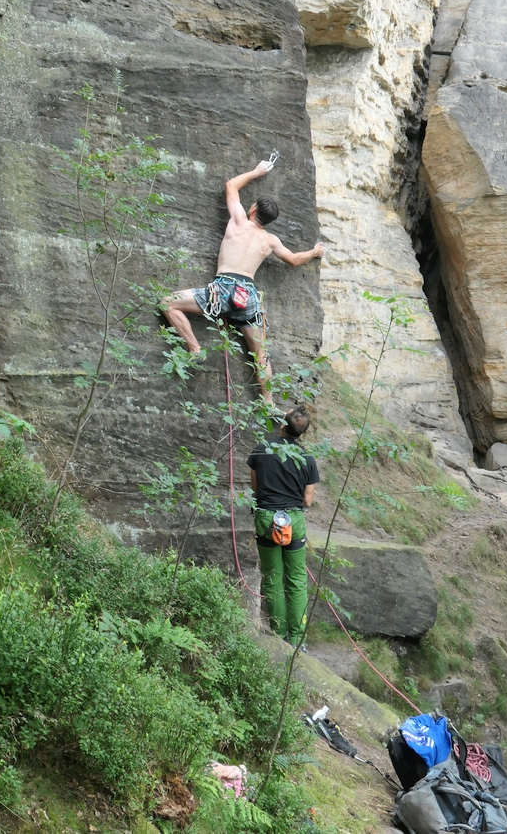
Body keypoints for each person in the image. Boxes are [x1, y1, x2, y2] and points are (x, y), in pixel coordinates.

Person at [160, 159, 323, 402]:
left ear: (253, 209)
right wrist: (314, 252)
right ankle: (267, 401)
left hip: (223, 290)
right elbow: (293, 259)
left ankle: (195, 349)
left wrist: (257, 172)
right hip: (248, 297)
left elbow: (231, 186)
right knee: (261, 352)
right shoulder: (271, 240)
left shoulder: (238, 221)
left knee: (167, 303)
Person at [248, 404, 319, 648]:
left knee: (273, 576)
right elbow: (307, 500)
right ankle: (298, 639)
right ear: (303, 433)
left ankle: (279, 636)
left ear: (282, 426)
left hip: (267, 519)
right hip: (294, 522)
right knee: (297, 579)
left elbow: (255, 489)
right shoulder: (307, 457)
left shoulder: (262, 449)